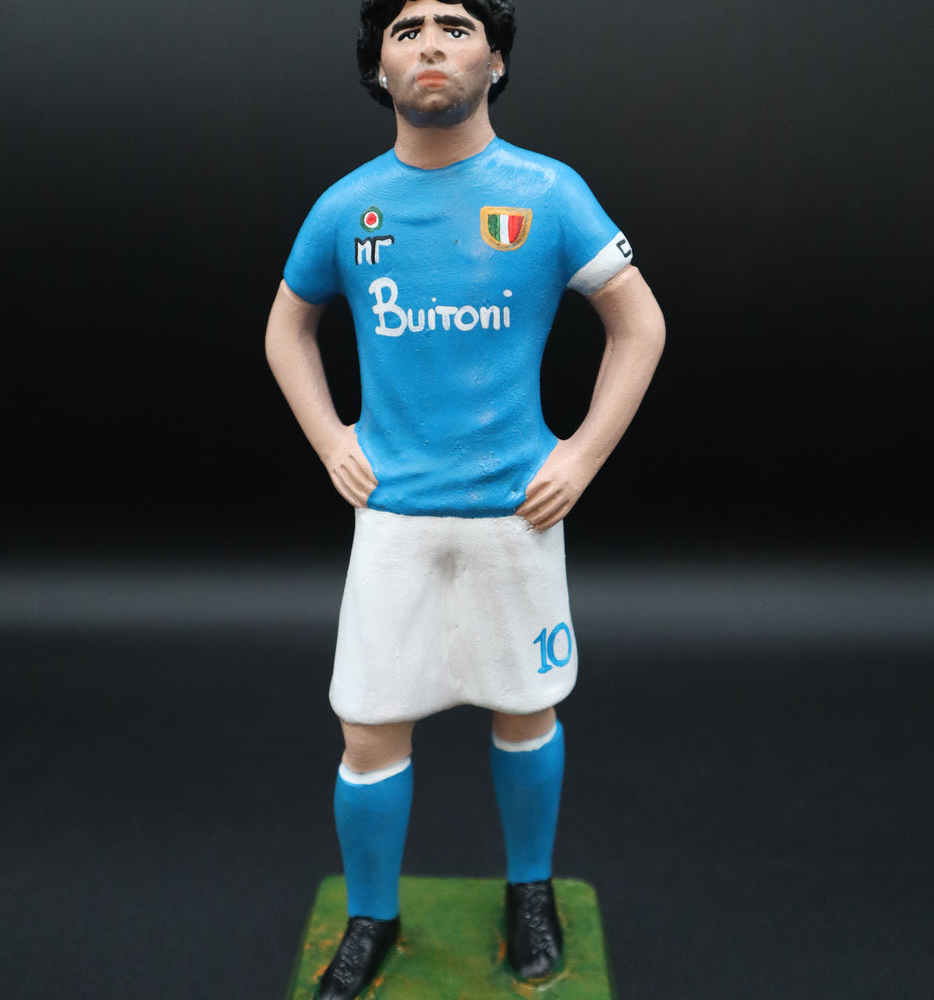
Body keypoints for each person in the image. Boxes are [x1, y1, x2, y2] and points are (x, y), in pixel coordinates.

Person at [265, 2, 665, 997]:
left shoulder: (547, 193)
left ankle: (529, 890)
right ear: (379, 68)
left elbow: (639, 324)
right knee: (368, 726)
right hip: (394, 516)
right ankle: (372, 913)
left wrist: (581, 456)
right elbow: (286, 328)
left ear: (496, 60)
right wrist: (332, 440)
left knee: (526, 708)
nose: (431, 44)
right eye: (406, 31)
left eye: (455, 25)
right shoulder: (348, 207)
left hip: (514, 515)